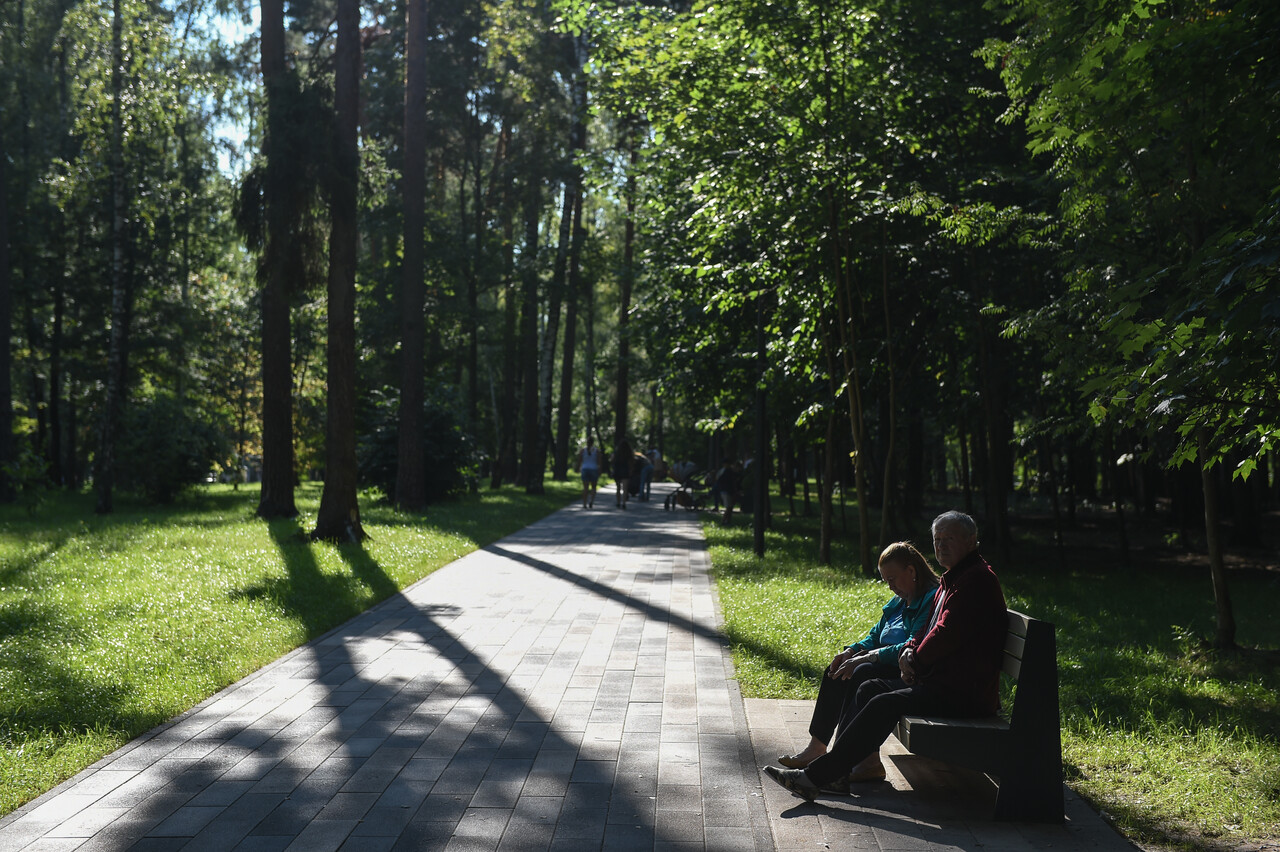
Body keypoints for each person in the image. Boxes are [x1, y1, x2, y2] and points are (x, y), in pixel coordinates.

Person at [764, 510, 1007, 800]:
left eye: (949, 539)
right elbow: (927, 631)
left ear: (971, 541)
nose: (941, 545)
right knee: (870, 686)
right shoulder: (954, 578)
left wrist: (913, 660)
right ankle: (837, 774)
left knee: (882, 702)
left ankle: (816, 777)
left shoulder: (975, 580)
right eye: (937, 539)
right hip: (941, 682)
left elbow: (945, 633)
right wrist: (909, 651)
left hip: (963, 693)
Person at [777, 542, 940, 780]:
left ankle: (846, 761)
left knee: (860, 671)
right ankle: (817, 748)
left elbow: (912, 644)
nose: (890, 587)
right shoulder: (899, 600)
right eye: (886, 581)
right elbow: (876, 634)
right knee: (836, 669)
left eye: (892, 579)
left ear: (912, 571)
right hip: (884, 663)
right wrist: (853, 650)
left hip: (905, 670)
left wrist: (866, 657)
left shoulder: (928, 599)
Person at [575, 438, 604, 509]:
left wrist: (577, 468)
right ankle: (591, 501)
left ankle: (584, 504)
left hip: (585, 469)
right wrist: (600, 470)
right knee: (593, 487)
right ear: (593, 443)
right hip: (594, 469)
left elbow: (579, 461)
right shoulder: (596, 451)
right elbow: (599, 462)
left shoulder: (582, 451)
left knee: (585, 488)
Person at [612, 440, 633, 509]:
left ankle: (618, 502)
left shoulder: (616, 453)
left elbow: (612, 460)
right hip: (625, 471)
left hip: (617, 471)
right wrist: (630, 471)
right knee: (625, 488)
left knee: (618, 488)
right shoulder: (629, 453)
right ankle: (624, 503)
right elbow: (631, 463)